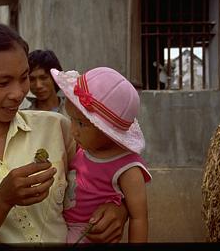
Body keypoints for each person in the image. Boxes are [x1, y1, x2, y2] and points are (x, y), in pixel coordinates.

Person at [0, 22, 128, 244]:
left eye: (24, 77)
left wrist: (118, 210)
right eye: (3, 82)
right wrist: (1, 201)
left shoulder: (57, 128)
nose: (18, 93)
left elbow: (109, 176)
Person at [51, 67, 152, 243]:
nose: (73, 131)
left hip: (91, 234)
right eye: (71, 119)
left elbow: (139, 218)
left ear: (108, 131)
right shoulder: (85, 147)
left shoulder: (128, 168)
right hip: (62, 226)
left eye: (81, 124)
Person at [23, 49, 68, 117]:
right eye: (32, 79)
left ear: (54, 78)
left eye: (43, 78)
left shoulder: (73, 112)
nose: (38, 85)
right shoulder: (24, 117)